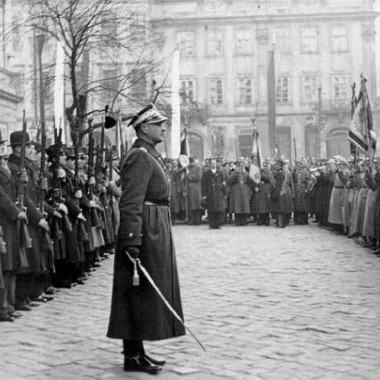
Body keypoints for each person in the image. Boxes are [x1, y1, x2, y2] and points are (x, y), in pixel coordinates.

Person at [107, 104, 185, 374]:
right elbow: (130, 202)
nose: (163, 127)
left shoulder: (149, 154)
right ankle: (132, 357)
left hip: (155, 227)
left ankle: (138, 353)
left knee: (143, 295)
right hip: (145, 231)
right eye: (158, 123)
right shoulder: (139, 156)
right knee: (136, 294)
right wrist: (131, 240)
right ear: (143, 127)